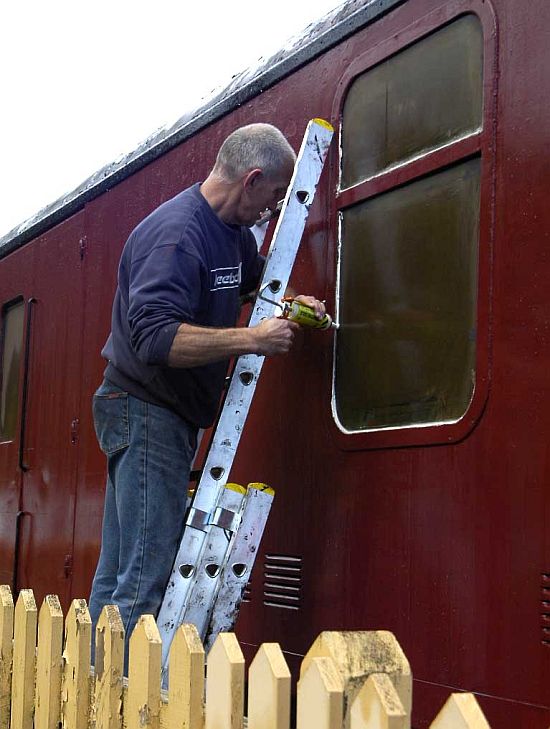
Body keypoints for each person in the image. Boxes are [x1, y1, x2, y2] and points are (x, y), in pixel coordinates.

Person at [88, 123, 325, 663]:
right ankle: (122, 706)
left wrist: (290, 305)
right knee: (144, 578)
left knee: (121, 570)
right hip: (146, 410)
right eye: (274, 196)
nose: (274, 210)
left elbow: (253, 283)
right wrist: (252, 339)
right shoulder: (177, 236)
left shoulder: (232, 235)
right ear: (253, 179)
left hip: (158, 413)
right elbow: (153, 336)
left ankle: (94, 692)